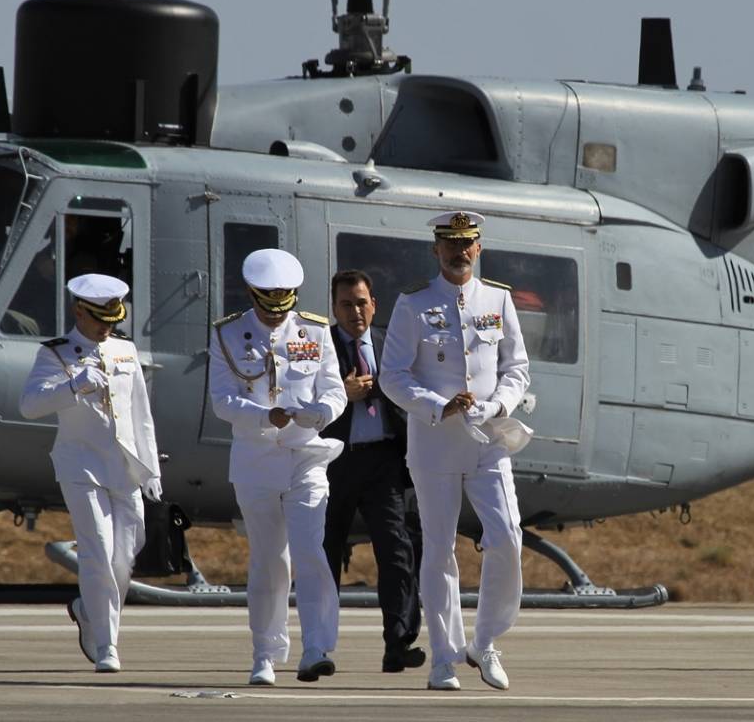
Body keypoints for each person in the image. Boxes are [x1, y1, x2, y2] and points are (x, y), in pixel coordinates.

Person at [380, 211, 531, 692]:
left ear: (479, 247)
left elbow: (517, 368)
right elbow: (393, 376)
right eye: (449, 244)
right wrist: (437, 405)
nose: (458, 252)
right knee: (439, 550)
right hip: (435, 443)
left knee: (507, 536)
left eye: (467, 244)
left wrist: (498, 403)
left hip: (489, 439)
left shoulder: (499, 299)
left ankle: (484, 643)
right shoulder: (413, 304)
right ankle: (443, 658)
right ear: (436, 249)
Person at [208, 248, 347, 686]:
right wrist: (262, 415)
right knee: (269, 560)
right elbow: (222, 400)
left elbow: (335, 391)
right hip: (256, 459)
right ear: (253, 294)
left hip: (306, 454)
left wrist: (318, 412)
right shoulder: (228, 334)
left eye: (283, 299)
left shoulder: (314, 330)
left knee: (311, 550)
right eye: (267, 301)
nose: (274, 312)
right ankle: (265, 653)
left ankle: (316, 648)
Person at [18, 273, 162, 673]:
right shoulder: (56, 355)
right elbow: (29, 405)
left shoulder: (124, 350)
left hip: (125, 467)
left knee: (124, 558)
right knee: (97, 551)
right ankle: (106, 644)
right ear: (78, 310)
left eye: (113, 317)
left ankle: (87, 608)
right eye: (99, 317)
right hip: (80, 464)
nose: (107, 325)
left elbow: (140, 413)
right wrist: (72, 386)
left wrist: (150, 469)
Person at [321, 269, 425, 674]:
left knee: (397, 551)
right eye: (346, 304)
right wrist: (341, 395)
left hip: (383, 461)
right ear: (334, 308)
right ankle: (319, 644)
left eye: (361, 303)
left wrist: (388, 390)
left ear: (374, 305)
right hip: (334, 459)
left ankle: (398, 642)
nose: (355, 312)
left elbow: (411, 394)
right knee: (324, 552)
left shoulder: (389, 345)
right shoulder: (321, 347)